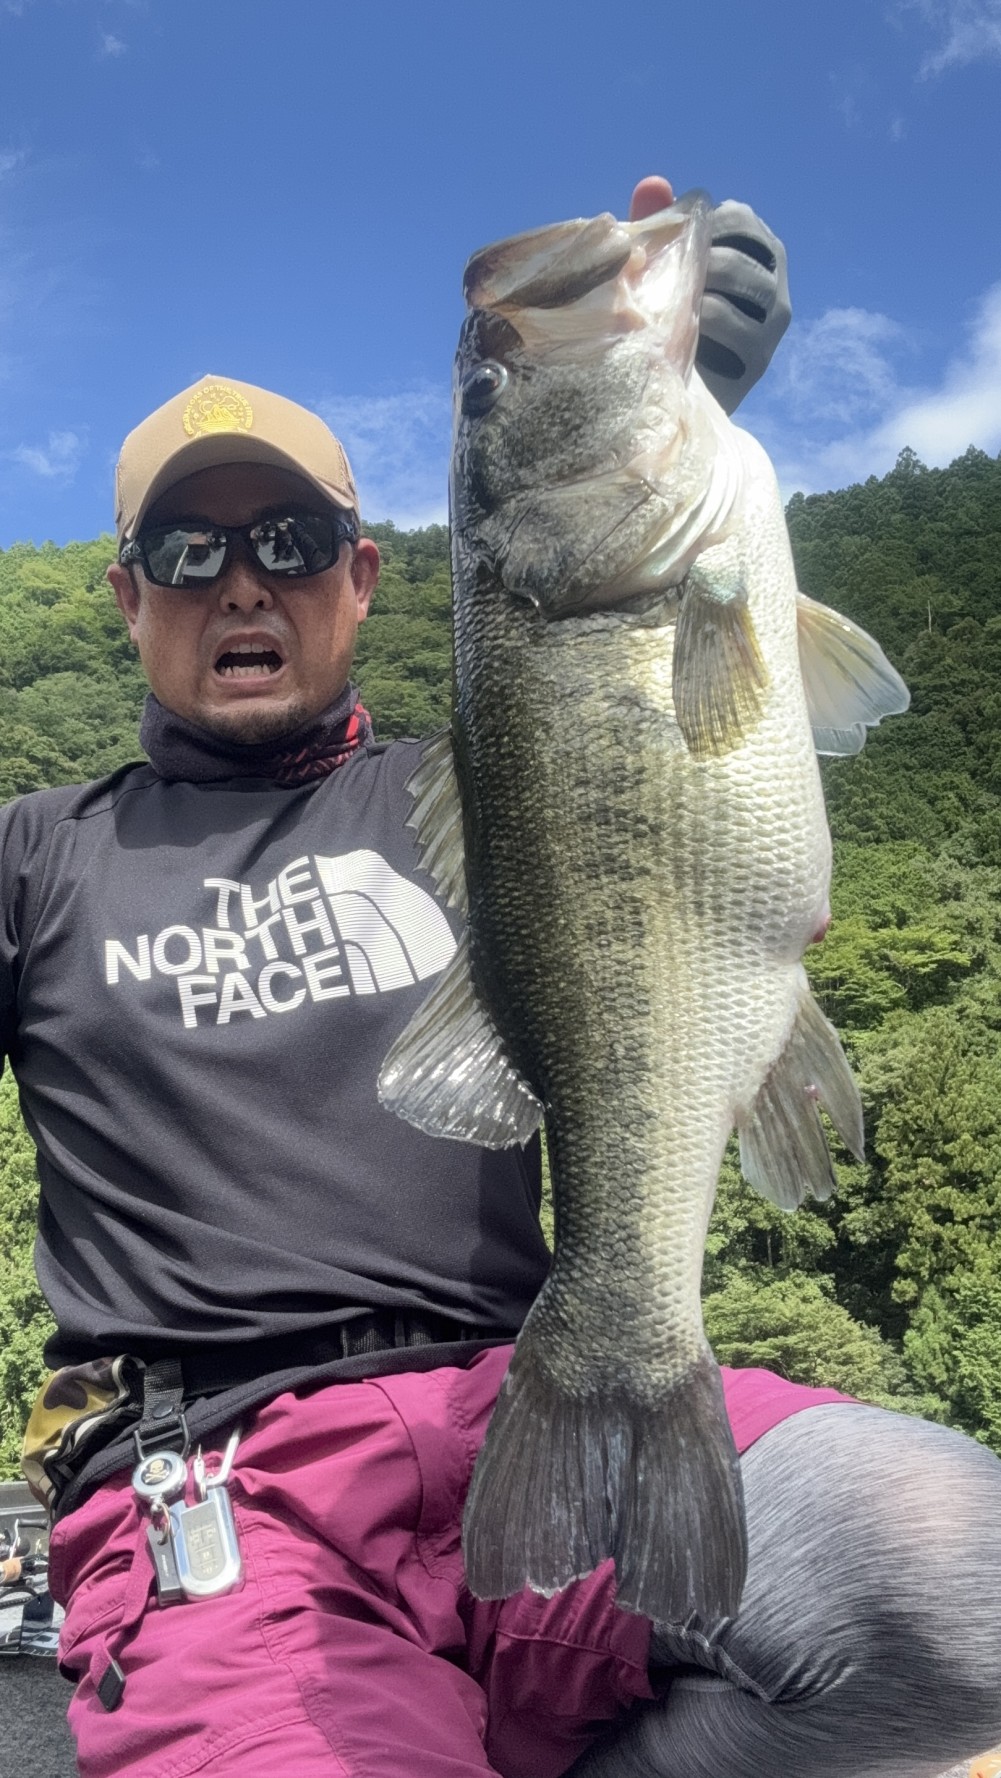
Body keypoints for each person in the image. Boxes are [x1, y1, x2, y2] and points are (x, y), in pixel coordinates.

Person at [1, 176, 1000, 1778]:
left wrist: (655, 401)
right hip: (226, 1479)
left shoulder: (474, 783)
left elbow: (649, 723)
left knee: (961, 1588)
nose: (241, 582)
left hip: (528, 1395)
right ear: (125, 597)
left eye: (289, 541)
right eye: (186, 550)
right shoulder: (36, 855)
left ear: (364, 575)